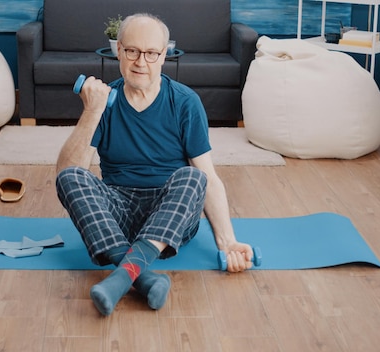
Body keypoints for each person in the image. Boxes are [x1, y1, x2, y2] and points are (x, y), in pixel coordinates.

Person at [55, 13, 254, 316]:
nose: (140, 62)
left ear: (164, 55)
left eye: (151, 53)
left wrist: (228, 242)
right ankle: (142, 278)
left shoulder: (185, 102)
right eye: (132, 51)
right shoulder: (104, 101)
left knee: (193, 177)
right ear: (118, 50)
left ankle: (121, 276)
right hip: (117, 210)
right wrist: (93, 111)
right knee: (68, 177)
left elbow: (209, 178)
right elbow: (70, 172)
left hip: (170, 213)